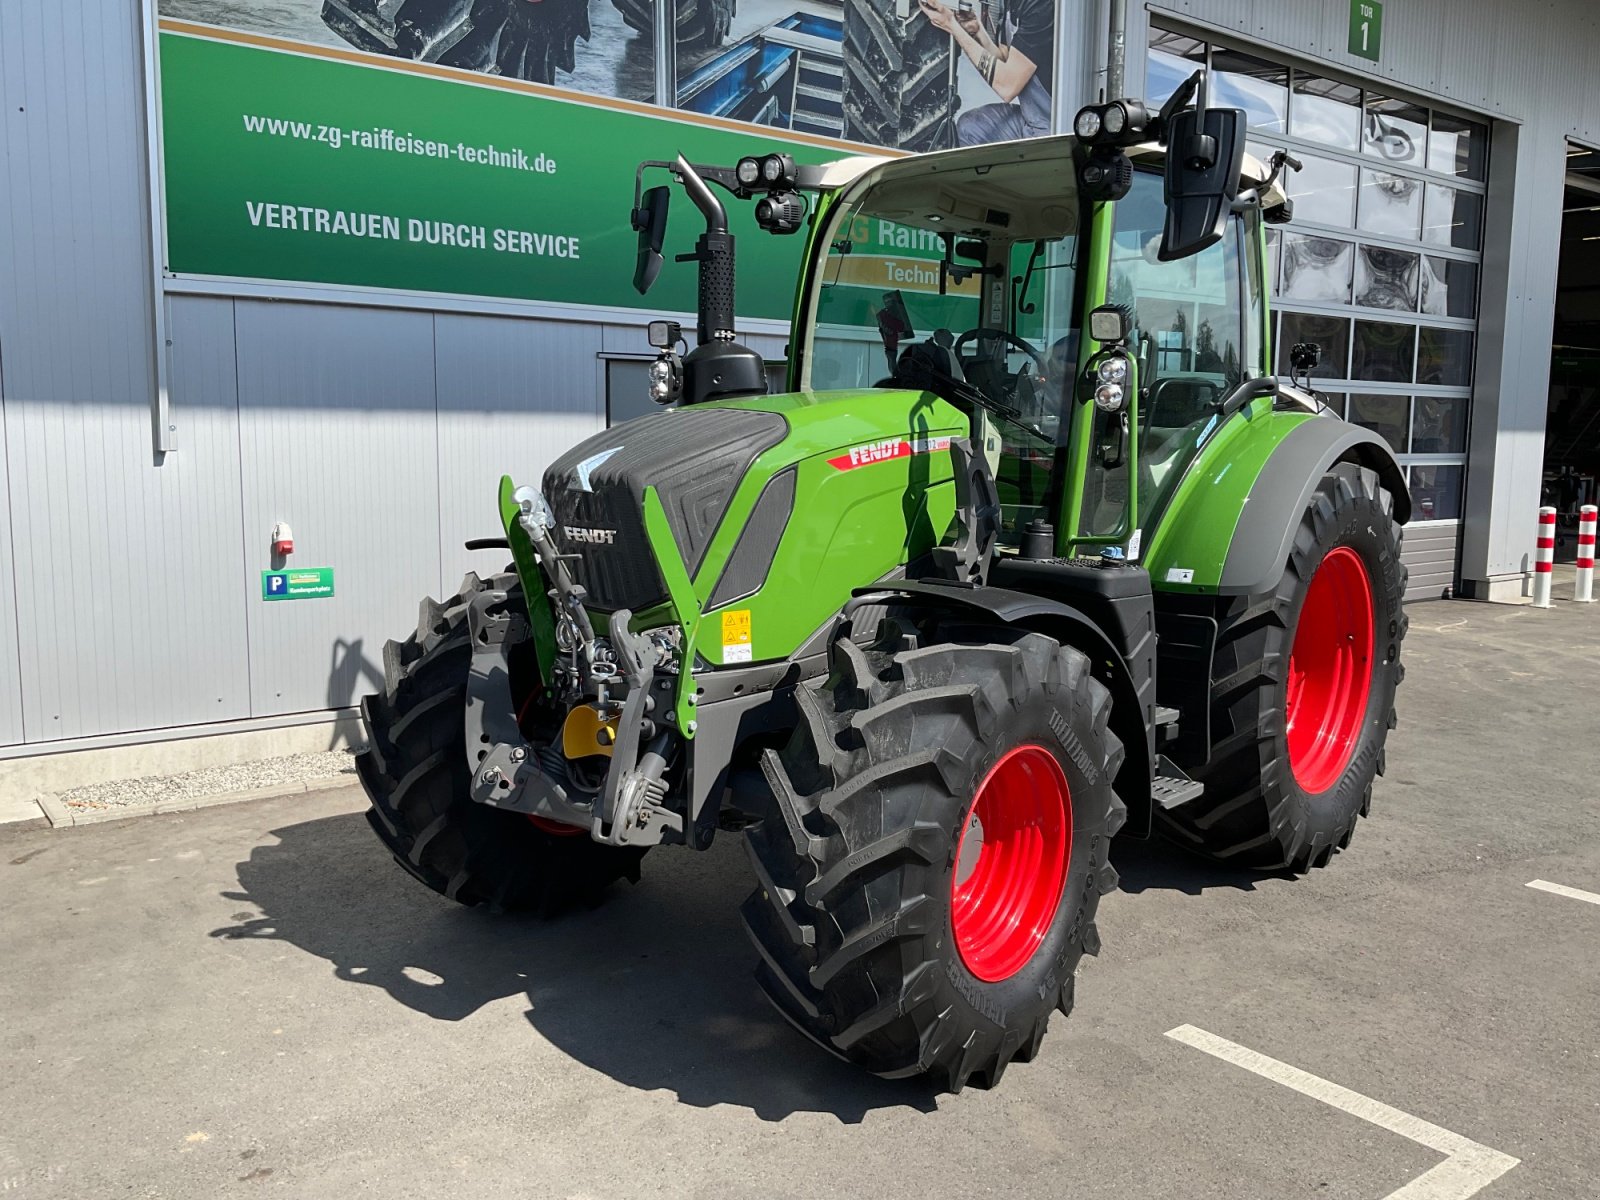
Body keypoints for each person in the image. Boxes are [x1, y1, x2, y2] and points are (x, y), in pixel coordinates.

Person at [917, 0, 1053, 146]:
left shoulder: (1041, 6)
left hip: (1055, 127)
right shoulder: (1010, 5)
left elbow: (1007, 86)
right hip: (1032, 120)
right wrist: (976, 32)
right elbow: (1005, 61)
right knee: (971, 128)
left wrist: (952, 26)